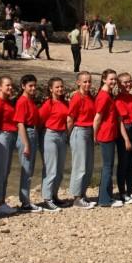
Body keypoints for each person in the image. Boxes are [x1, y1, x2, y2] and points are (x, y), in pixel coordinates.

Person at [93, 69, 126, 208]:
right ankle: (105, 200)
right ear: (104, 79)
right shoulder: (103, 96)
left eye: (114, 79)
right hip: (106, 135)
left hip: (111, 134)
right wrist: (94, 136)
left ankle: (107, 196)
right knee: (107, 167)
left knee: (109, 166)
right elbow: (97, 118)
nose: (113, 82)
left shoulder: (108, 95)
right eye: (111, 79)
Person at [0, 76, 19, 215]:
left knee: (6, 170)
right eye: (7, 85)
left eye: (11, 85)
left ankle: (2, 201)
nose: (10, 88)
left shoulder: (7, 102)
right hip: (1, 136)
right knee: (1, 170)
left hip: (9, 136)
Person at [39, 77, 69, 211]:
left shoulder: (65, 103)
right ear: (51, 89)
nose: (60, 89)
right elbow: (39, 121)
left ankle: (55, 196)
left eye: (61, 86)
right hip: (50, 135)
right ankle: (47, 198)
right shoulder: (48, 104)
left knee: (60, 169)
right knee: (50, 169)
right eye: (57, 87)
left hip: (62, 136)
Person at [67, 72, 96, 209]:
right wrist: (68, 136)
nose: (87, 84)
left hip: (89, 131)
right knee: (80, 166)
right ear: (78, 82)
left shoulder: (90, 96)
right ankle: (77, 197)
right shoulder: (77, 98)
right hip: (79, 131)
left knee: (88, 165)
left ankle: (83, 194)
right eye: (84, 82)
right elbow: (70, 119)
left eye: (89, 81)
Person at [14, 74, 42, 212]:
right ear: (23, 86)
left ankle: (26, 200)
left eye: (34, 86)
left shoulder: (30, 100)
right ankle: (25, 202)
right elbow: (20, 124)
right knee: (26, 169)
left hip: (33, 133)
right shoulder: (22, 101)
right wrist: (26, 144)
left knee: (29, 169)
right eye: (30, 86)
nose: (33, 88)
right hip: (27, 134)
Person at [114, 73, 132, 204]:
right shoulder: (118, 100)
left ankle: (131, 190)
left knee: (131, 164)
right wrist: (126, 139)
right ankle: (122, 192)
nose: (128, 84)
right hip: (125, 131)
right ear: (119, 84)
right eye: (125, 82)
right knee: (123, 164)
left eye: (130, 81)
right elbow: (120, 122)